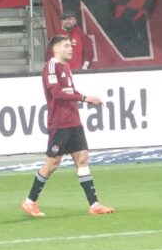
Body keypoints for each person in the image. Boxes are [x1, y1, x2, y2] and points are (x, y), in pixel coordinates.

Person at [21, 35, 114, 218]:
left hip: (74, 122)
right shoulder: (51, 67)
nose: (71, 48)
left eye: (70, 45)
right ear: (56, 49)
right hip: (59, 124)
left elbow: (70, 91)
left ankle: (94, 204)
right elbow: (57, 94)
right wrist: (84, 98)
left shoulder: (66, 66)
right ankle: (30, 201)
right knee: (52, 164)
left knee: (82, 159)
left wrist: (86, 98)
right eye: (66, 46)